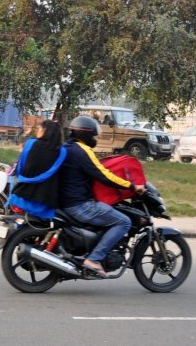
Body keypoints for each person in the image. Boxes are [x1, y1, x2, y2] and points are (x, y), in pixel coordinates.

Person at [57, 115, 146, 278]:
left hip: (65, 202)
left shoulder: (67, 147)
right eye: (93, 135)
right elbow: (104, 175)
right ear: (85, 135)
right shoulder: (83, 151)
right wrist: (131, 186)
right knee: (124, 222)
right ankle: (94, 259)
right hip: (80, 205)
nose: (95, 138)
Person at [6, 120, 65, 219]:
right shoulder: (62, 151)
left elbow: (21, 165)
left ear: (46, 130)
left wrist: (23, 178)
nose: (37, 130)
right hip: (46, 197)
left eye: (39, 128)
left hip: (24, 192)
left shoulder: (31, 143)